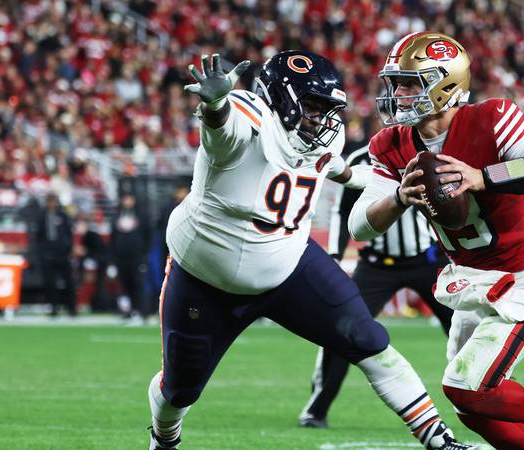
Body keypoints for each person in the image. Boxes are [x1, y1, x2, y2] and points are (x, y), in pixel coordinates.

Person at [146, 51, 485, 450]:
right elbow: (221, 132)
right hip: (204, 276)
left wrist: (387, 181)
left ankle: (439, 440)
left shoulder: (323, 137)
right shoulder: (246, 117)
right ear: (280, 98)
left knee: (369, 341)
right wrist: (215, 104)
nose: (322, 118)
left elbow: (339, 169)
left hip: (288, 263)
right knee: (180, 390)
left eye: (327, 109)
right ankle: (164, 440)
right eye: (312, 105)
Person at [349, 32, 524, 450]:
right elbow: (359, 226)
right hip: (469, 279)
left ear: (446, 83)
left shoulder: (491, 117)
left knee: (466, 386)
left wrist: (483, 176)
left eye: (409, 84)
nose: (398, 94)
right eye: (395, 84)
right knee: (471, 407)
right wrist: (398, 198)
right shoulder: (391, 145)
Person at [299, 144, 454, 429]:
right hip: (377, 264)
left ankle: (489, 397)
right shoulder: (362, 159)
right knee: (341, 328)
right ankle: (316, 408)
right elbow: (343, 211)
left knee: (464, 326)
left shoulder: (431, 155)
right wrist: (334, 256)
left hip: (428, 259)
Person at [110, 192, 152, 322]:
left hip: (137, 257)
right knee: (124, 285)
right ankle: (128, 311)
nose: (127, 202)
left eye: (130, 199)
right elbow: (113, 237)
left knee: (138, 284)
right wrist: (113, 257)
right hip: (121, 257)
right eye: (125, 199)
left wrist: (144, 253)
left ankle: (142, 311)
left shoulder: (141, 216)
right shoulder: (117, 216)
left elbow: (149, 235)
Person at [35, 192, 76, 317]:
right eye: (49, 201)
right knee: (50, 283)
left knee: (68, 281)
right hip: (48, 254)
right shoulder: (42, 216)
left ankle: (71, 308)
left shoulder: (63, 216)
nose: (52, 204)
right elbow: (38, 237)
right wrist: (42, 253)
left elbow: (69, 234)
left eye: (53, 201)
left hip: (62, 253)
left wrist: (68, 249)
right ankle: (53, 307)